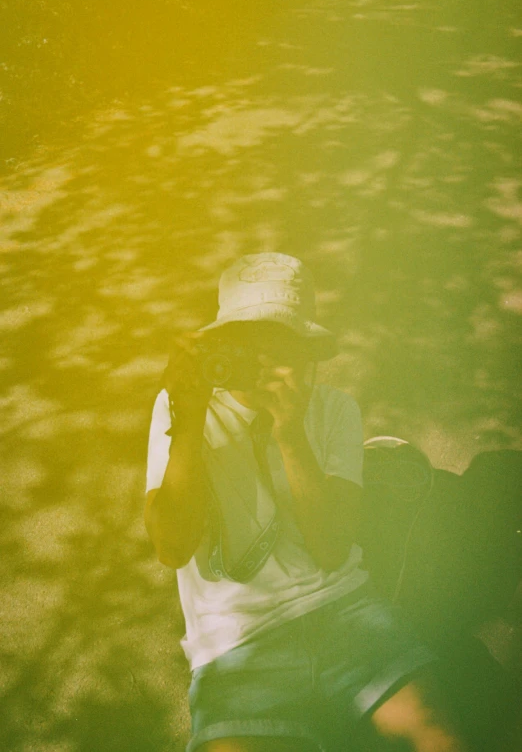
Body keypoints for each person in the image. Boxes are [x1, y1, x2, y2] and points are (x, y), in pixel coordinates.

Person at [144, 253, 470, 752]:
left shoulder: (333, 408)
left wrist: (291, 435)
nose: (261, 359)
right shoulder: (183, 408)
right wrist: (186, 426)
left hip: (344, 615)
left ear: (305, 351)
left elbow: (332, 547)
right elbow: (171, 547)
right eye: (247, 341)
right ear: (222, 343)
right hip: (236, 647)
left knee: (439, 737)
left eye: (279, 343)